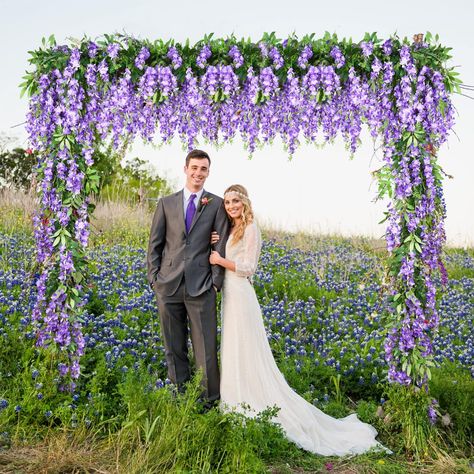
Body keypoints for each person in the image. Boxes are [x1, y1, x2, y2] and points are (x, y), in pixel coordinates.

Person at [209, 184, 387, 456]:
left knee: (246, 349)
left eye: (236, 201)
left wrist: (220, 260)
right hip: (230, 297)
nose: (231, 206)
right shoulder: (232, 229)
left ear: (245, 203)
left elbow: (248, 268)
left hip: (242, 296)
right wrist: (216, 245)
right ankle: (235, 399)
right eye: (228, 202)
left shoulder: (252, 228)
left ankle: (249, 400)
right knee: (234, 349)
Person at [147, 149, 230, 407]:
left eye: (203, 169)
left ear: (208, 172)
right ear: (185, 169)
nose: (198, 173)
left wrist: (215, 283)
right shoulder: (166, 203)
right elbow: (155, 245)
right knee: (174, 347)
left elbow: (222, 243)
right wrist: (155, 280)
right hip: (168, 285)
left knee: (205, 348)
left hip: (201, 285)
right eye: (194, 168)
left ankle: (208, 402)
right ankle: (180, 398)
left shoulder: (216, 204)